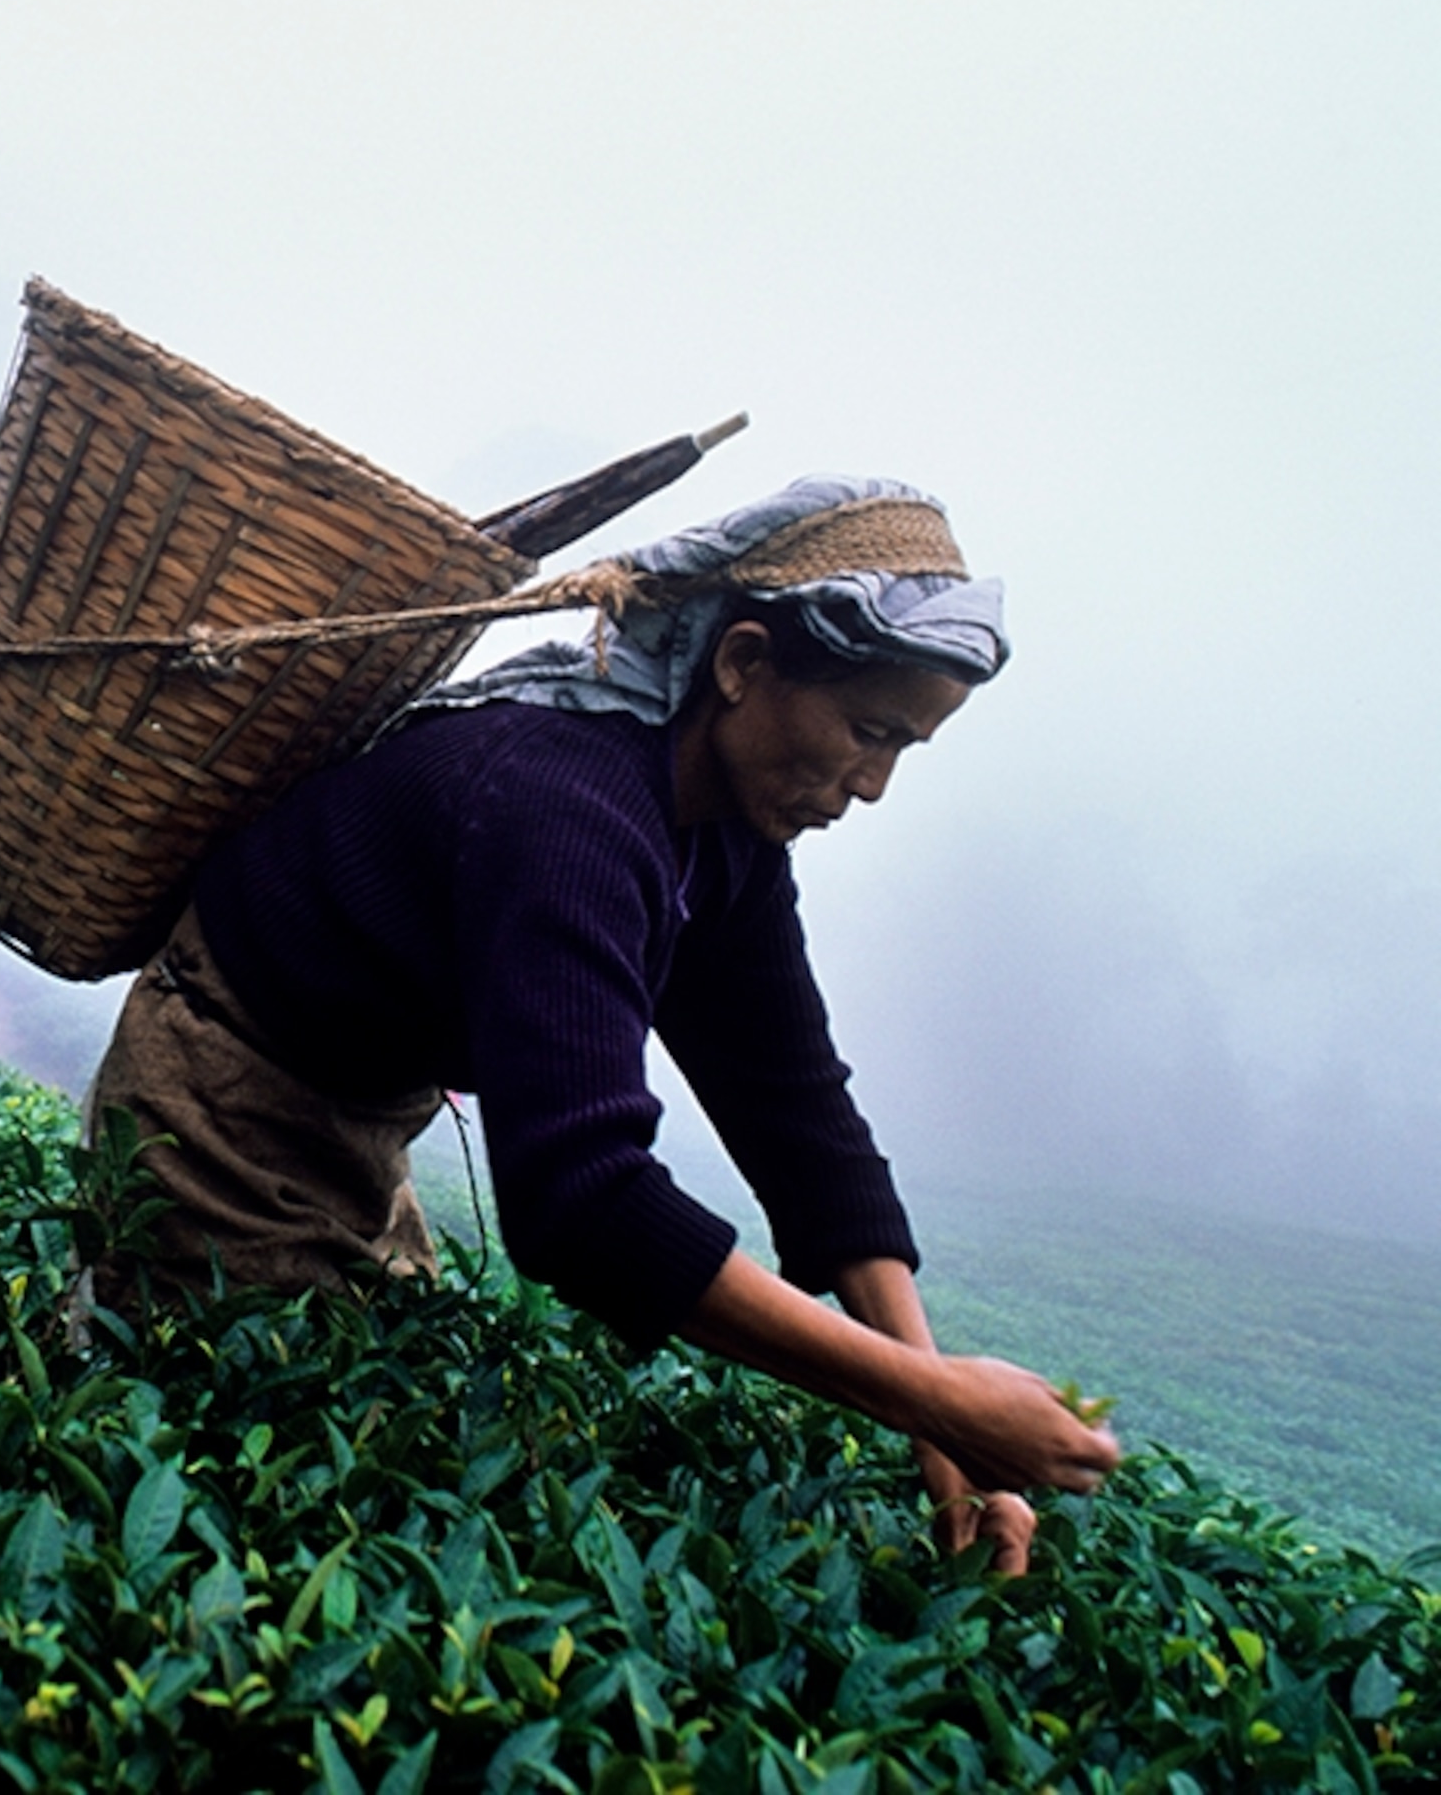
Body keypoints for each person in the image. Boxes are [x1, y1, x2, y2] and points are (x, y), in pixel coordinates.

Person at [85, 476, 1120, 1573]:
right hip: (222, 1095)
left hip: (361, 1119)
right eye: (866, 731)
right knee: (223, 1490)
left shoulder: (722, 833)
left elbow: (796, 1109)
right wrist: (926, 1394)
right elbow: (581, 1202)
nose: (869, 785)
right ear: (743, 665)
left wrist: (940, 1427)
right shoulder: (564, 803)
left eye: (906, 747)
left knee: (359, 1450)